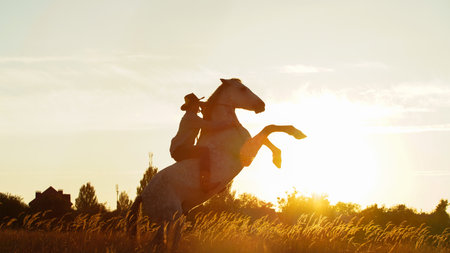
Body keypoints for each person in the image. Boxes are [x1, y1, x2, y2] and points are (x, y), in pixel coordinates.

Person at [170, 93, 235, 192]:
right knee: (204, 151)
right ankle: (206, 183)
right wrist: (228, 123)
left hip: (179, 149)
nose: (198, 106)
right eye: (197, 104)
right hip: (179, 150)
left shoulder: (191, 116)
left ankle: (206, 180)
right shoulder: (191, 117)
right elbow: (210, 126)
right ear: (192, 106)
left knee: (203, 153)